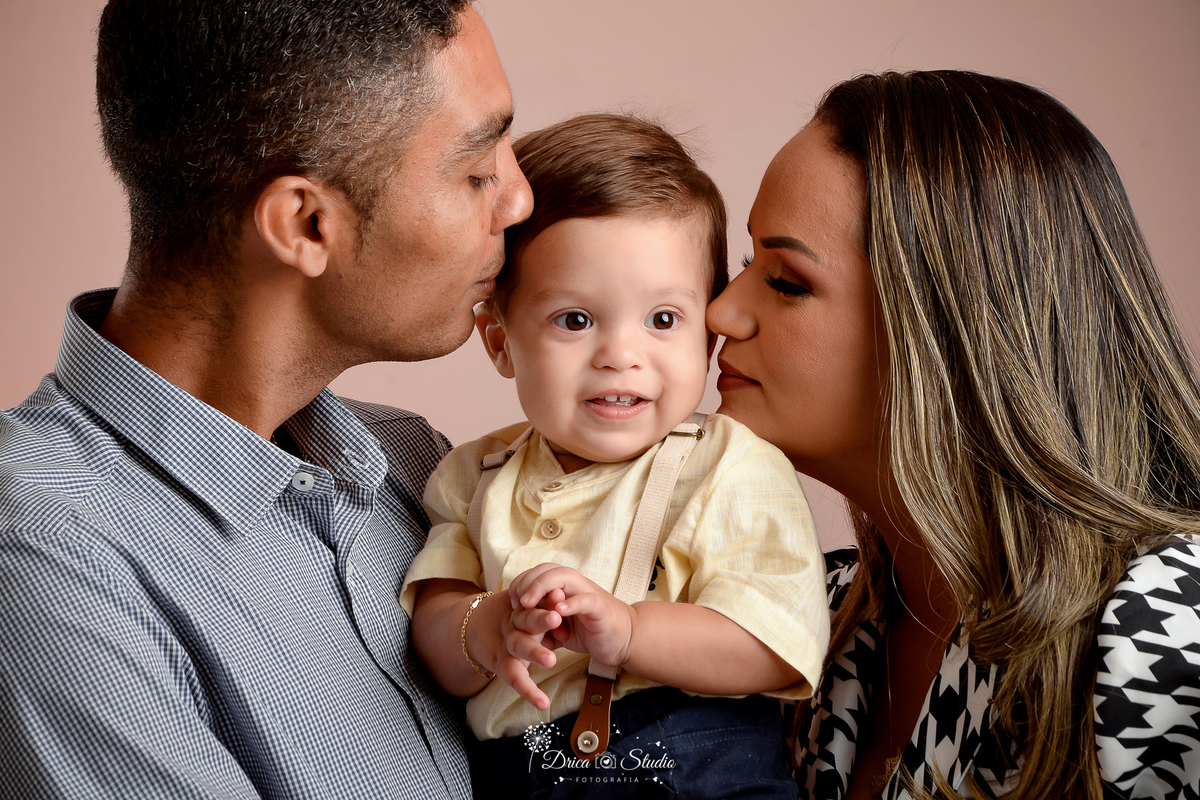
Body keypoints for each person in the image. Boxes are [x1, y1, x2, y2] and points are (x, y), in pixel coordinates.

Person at [0, 1, 532, 798]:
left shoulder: (415, 462)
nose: (519, 201)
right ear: (305, 223)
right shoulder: (44, 557)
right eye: (477, 171)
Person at [707, 69, 1200, 799]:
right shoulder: (809, 618)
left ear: (952, 330)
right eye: (747, 263)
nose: (719, 313)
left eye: (785, 281)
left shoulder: (1166, 626)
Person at [398, 113, 830, 798]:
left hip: (689, 773)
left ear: (706, 337)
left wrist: (628, 631)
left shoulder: (729, 468)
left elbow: (770, 645)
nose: (620, 355)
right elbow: (434, 626)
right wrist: (485, 628)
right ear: (500, 341)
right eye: (575, 320)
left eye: (663, 320)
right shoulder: (472, 474)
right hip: (523, 772)